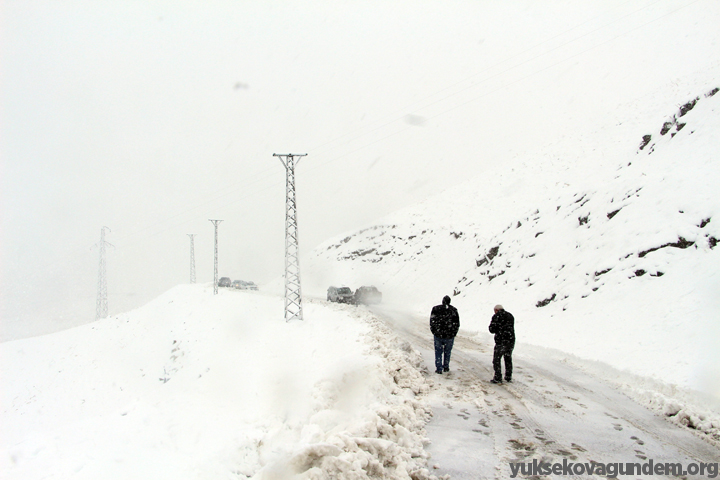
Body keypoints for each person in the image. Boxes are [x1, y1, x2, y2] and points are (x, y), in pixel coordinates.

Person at [429, 295, 460, 374]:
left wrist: (435, 331)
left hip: (438, 335)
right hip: (449, 336)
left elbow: (432, 321)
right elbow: (457, 323)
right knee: (447, 351)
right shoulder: (454, 310)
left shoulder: (436, 309)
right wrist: (453, 333)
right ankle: (446, 366)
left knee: (438, 351)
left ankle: (439, 368)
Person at [488, 304, 515, 383]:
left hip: (501, 341)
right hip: (510, 340)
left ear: (496, 310)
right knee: (508, 357)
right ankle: (508, 376)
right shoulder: (510, 315)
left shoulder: (496, 317)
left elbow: (492, 329)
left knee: (497, 359)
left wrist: (497, 328)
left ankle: (498, 377)